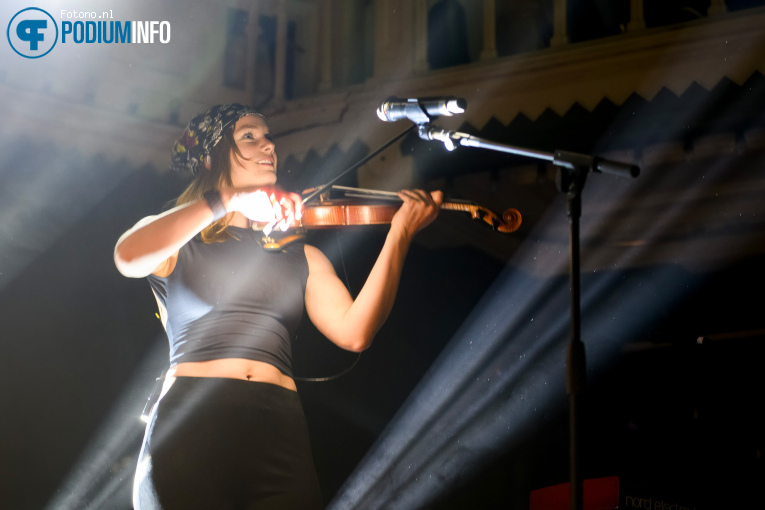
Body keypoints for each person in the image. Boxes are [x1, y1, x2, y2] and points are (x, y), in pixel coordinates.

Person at [114, 104, 442, 509]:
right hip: (192, 424)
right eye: (248, 136)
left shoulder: (301, 257)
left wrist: (401, 232)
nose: (268, 144)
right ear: (211, 157)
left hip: (279, 429)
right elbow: (127, 256)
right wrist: (228, 200)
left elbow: (355, 332)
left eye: (268, 136)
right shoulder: (180, 245)